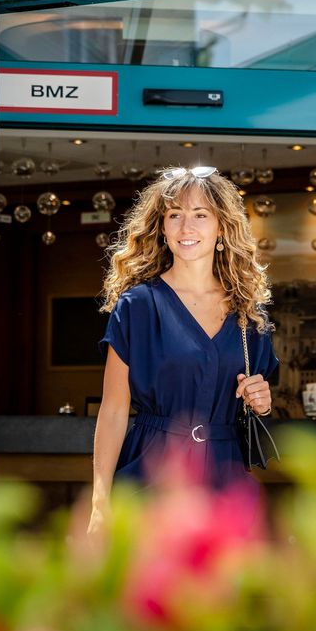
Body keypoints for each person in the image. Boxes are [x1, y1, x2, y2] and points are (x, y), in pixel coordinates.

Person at [89, 165, 276, 534]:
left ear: (221, 227)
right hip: (151, 473)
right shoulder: (137, 306)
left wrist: (262, 399)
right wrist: (100, 502)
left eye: (200, 215)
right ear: (162, 228)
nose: (186, 228)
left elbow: (259, 400)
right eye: (175, 215)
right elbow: (112, 411)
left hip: (224, 476)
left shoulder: (247, 311)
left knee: (219, 591)